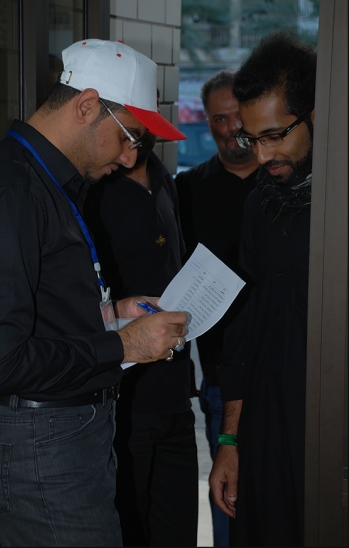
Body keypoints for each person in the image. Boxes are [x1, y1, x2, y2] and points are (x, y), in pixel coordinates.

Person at [0, 39, 189, 547]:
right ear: (86, 106)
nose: (129, 157)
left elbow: (37, 311)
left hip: (58, 437)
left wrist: (110, 314)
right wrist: (123, 345)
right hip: (38, 443)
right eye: (128, 136)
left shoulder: (46, 181)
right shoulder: (11, 190)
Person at [209, 31, 316, 547]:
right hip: (264, 432)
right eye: (254, 139)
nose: (263, 154)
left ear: (315, 115)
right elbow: (244, 329)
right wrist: (229, 439)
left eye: (275, 135)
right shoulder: (258, 204)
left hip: (324, 430)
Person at [84, 117, 198, 547]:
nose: (130, 153)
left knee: (178, 528)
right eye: (125, 137)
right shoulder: (95, 190)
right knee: (130, 528)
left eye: (140, 137)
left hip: (176, 391)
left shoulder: (166, 178)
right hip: (126, 398)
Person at [175, 70, 258, 546]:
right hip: (220, 375)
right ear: (206, 123)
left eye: (237, 115)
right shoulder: (187, 190)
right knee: (227, 498)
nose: (231, 128)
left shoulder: (286, 183)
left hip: (287, 369)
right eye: (218, 119)